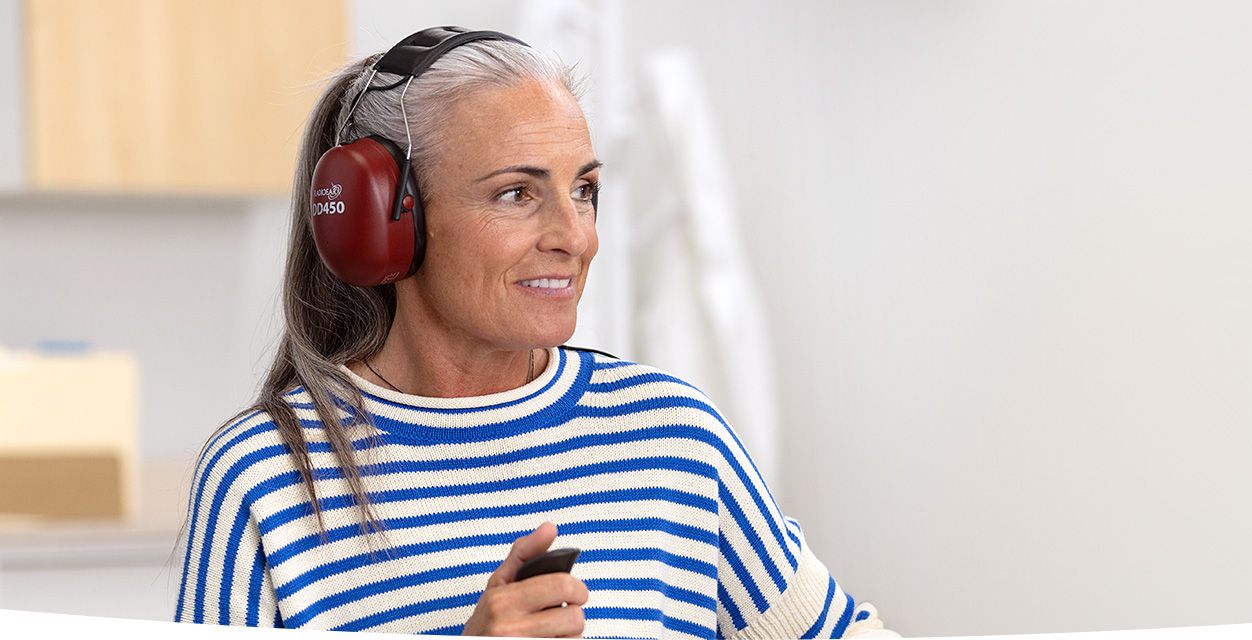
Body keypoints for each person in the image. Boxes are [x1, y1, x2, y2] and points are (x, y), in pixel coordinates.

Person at [173, 26, 895, 639]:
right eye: (516, 194)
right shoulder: (263, 480)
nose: (575, 237)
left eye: (583, 190)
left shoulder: (675, 434)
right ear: (385, 224)